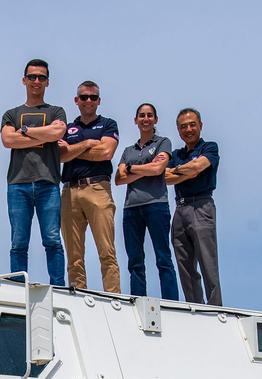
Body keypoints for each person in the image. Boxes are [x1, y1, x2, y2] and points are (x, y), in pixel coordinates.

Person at [0, 59, 68, 285]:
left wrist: (27, 131)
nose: (36, 81)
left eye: (41, 77)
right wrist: (43, 134)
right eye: (32, 77)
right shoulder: (11, 113)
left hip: (48, 182)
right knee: (19, 242)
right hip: (18, 184)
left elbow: (57, 132)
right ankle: (18, 287)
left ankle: (58, 287)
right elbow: (8, 140)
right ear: (24, 80)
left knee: (52, 240)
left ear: (48, 82)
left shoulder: (56, 111)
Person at [58, 81, 120, 292]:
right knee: (74, 255)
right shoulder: (68, 128)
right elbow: (60, 155)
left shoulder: (108, 124)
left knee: (106, 251)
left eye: (93, 97)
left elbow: (105, 153)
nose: (88, 101)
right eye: (84, 97)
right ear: (76, 101)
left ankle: (113, 298)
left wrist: (73, 149)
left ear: (99, 101)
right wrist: (86, 144)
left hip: (98, 188)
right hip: (69, 191)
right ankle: (78, 295)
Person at [115, 103, 179, 300]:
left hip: (156, 204)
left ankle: (171, 301)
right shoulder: (128, 150)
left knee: (163, 257)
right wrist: (145, 168)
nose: (146, 119)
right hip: (131, 208)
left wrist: (132, 169)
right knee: (135, 260)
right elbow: (118, 179)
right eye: (142, 116)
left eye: (150, 115)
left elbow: (158, 169)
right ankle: (137, 300)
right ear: (135, 120)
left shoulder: (163, 142)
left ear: (156, 119)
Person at [165, 108, 221, 305]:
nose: (188, 129)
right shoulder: (176, 154)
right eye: (183, 126)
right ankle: (194, 308)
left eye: (192, 125)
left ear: (200, 126)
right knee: (184, 264)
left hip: (201, 206)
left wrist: (184, 170)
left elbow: (198, 167)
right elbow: (166, 177)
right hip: (180, 210)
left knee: (208, 262)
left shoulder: (210, 148)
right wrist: (188, 170)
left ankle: (215, 310)